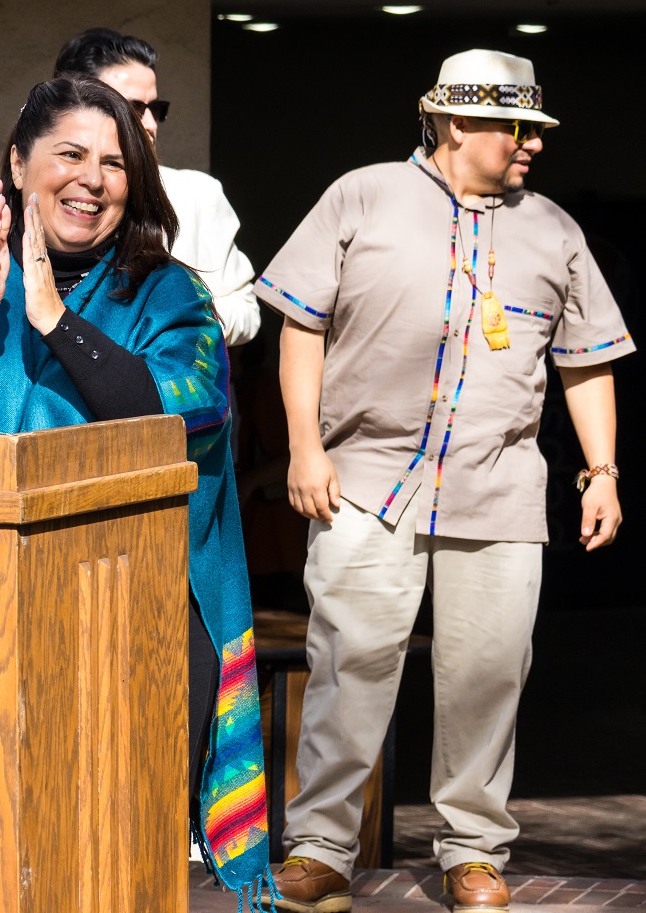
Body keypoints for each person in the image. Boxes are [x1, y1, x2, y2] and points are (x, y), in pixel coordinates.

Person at [0, 75, 273, 901]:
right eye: (69, 154)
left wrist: (54, 321)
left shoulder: (169, 292)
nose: (92, 179)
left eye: (114, 164)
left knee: (112, 839)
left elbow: (181, 416)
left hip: (135, 606)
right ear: (18, 162)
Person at [254, 49, 630, 913]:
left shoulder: (555, 230)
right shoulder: (362, 196)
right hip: (366, 480)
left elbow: (585, 363)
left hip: (499, 486)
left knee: (490, 671)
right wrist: (305, 449)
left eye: (535, 128)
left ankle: (473, 851)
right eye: (517, 127)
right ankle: (320, 848)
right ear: (457, 123)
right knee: (349, 663)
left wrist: (601, 471)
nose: (532, 144)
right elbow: (300, 327)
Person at [54, 27, 260, 347]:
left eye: (156, 109)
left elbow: (246, 311)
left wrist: (178, 318)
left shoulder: (197, 194)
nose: (149, 124)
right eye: (132, 107)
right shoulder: (52, 193)